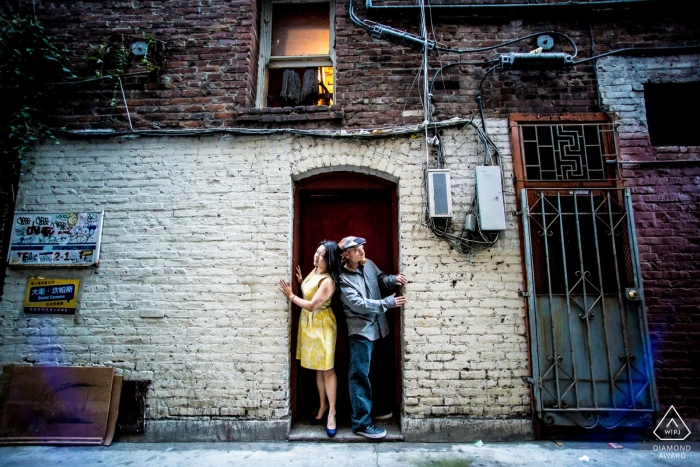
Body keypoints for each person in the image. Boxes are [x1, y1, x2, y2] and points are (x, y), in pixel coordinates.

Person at [337, 236, 407, 439]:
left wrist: (394, 279)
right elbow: (358, 304)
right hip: (361, 332)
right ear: (345, 255)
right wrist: (387, 304)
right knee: (359, 376)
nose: (362, 251)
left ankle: (374, 412)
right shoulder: (342, 279)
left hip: (379, 328)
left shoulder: (368, 265)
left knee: (374, 373)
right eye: (357, 249)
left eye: (362, 247)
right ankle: (361, 423)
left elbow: (381, 280)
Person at [278, 240, 341, 437]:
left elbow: (313, 305)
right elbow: (309, 291)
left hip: (323, 325)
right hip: (310, 325)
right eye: (316, 251)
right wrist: (300, 283)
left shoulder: (328, 280)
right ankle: (322, 407)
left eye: (321, 255)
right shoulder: (314, 272)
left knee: (328, 369)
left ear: (329, 259)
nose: (316, 256)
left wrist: (291, 296)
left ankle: (332, 412)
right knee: (318, 367)